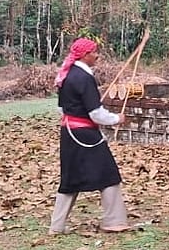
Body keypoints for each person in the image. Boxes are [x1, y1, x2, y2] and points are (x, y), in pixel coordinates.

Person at [49, 38, 131, 235]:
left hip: (69, 133)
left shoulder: (67, 74)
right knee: (109, 173)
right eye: (94, 52)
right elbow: (95, 114)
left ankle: (56, 226)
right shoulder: (84, 78)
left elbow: (63, 108)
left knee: (70, 179)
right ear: (85, 55)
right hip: (85, 135)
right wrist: (116, 119)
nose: (97, 55)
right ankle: (114, 221)